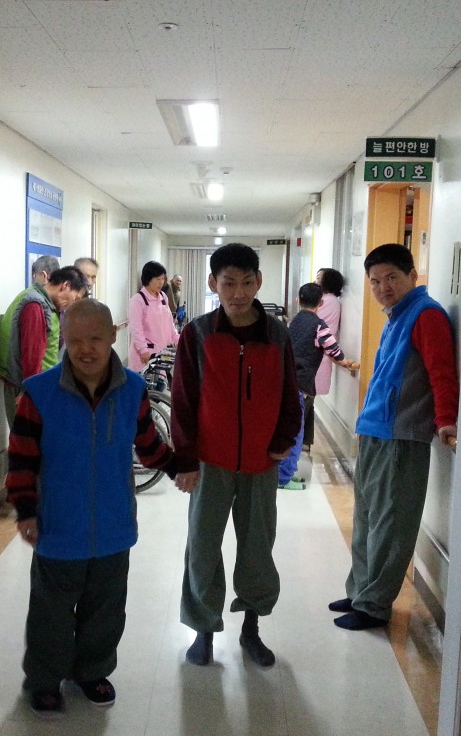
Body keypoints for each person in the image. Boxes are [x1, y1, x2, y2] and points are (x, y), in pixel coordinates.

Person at [5, 299, 174, 717]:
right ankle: (45, 680)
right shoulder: (39, 392)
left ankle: (92, 671)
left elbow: (148, 444)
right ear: (64, 339)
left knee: (105, 611)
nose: (85, 349)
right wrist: (26, 510)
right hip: (58, 527)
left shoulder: (133, 389)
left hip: (114, 527)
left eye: (95, 338)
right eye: (75, 340)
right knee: (51, 614)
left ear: (113, 336)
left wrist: (179, 465)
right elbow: (21, 458)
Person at [169, 243, 301, 668]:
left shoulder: (277, 334)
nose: (238, 293)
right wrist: (185, 460)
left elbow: (290, 393)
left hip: (261, 463)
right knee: (203, 546)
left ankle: (252, 628)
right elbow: (183, 400)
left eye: (246, 282)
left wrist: (283, 440)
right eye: (229, 283)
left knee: (258, 548)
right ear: (213, 283)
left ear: (258, 282)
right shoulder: (199, 334)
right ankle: (203, 629)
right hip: (210, 461)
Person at [329, 244, 458, 631]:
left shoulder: (426, 315)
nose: (383, 287)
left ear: (412, 277)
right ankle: (360, 590)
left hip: (402, 437)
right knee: (366, 518)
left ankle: (374, 605)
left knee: (390, 524)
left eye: (391, 278)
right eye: (375, 281)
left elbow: (442, 372)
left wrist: (446, 420)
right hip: (375, 431)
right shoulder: (396, 317)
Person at [279, 283, 359, 490]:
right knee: (296, 433)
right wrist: (345, 361)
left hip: (285, 381)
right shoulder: (319, 325)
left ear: (298, 300)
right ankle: (284, 478)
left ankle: (283, 474)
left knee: (286, 430)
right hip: (301, 384)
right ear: (321, 303)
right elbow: (333, 349)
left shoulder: (293, 322)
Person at [0, 266, 87, 424]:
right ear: (65, 285)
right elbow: (32, 354)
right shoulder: (35, 305)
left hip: (39, 384)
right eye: (75, 298)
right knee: (27, 436)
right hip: (29, 386)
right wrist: (30, 391)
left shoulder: (45, 304)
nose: (73, 304)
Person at [306, 267, 345, 452]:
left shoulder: (328, 301)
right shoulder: (328, 300)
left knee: (305, 401)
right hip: (315, 354)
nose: (316, 280)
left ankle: (302, 441)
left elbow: (311, 322)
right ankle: (305, 441)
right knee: (307, 402)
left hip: (316, 355)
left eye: (319, 277)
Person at [127, 261, 179, 371]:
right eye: (158, 279)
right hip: (144, 355)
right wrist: (143, 350)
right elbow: (136, 329)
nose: (161, 282)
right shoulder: (138, 300)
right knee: (143, 381)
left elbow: (169, 324)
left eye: (163, 279)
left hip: (161, 352)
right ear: (148, 279)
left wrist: (178, 340)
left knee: (160, 380)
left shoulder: (163, 297)